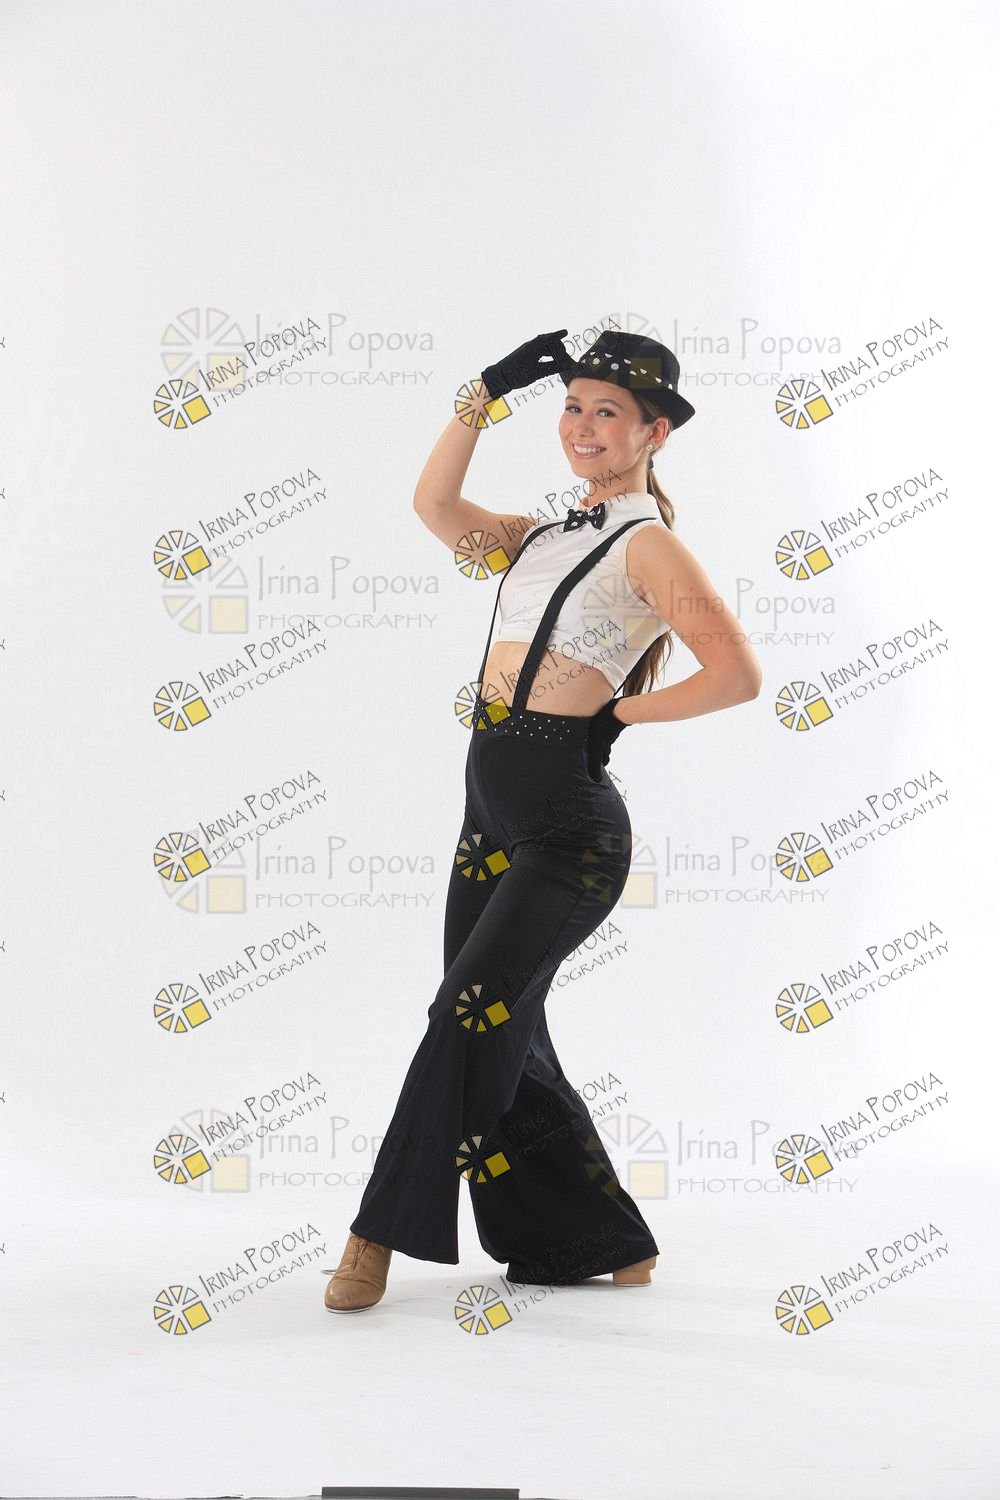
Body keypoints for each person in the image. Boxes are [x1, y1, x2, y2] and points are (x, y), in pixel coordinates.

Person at [323, 328, 762, 1313]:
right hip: (489, 812)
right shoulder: (539, 536)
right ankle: (594, 1237)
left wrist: (618, 714)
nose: (583, 427)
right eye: (571, 407)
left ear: (653, 432)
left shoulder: (647, 545)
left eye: (608, 412)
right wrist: (481, 396)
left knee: (464, 1015)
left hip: (569, 830)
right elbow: (434, 506)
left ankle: (374, 1234)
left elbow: (735, 673)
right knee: (505, 1030)